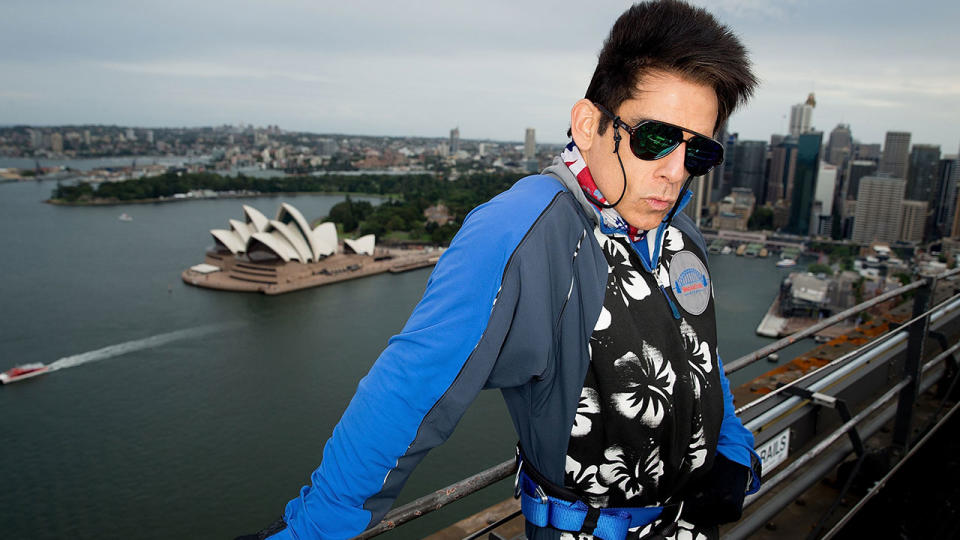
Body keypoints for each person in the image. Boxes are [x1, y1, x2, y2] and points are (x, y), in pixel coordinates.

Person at [243, 1, 761, 538]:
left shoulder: (679, 233)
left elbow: (696, 345)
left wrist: (731, 449)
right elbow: (409, 390)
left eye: (697, 151)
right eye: (654, 139)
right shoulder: (523, 233)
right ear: (588, 124)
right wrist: (310, 531)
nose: (676, 173)